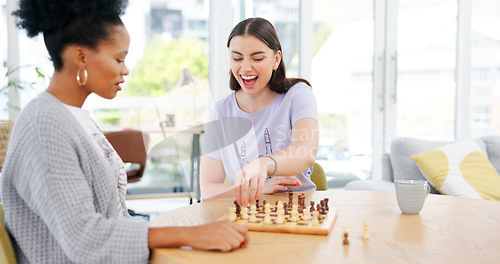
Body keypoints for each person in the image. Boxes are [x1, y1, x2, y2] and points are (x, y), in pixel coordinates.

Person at [0, 0, 248, 263]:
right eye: (119, 58)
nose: (126, 69)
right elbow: (84, 238)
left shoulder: (73, 116)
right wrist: (189, 234)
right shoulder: (45, 124)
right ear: (81, 56)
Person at [200, 17, 319, 206]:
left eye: (257, 58)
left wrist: (263, 164)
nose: (245, 67)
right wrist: (258, 188)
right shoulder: (221, 110)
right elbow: (208, 190)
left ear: (276, 59)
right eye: (237, 58)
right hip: (246, 212)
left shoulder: (298, 95)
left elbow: (306, 153)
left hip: (296, 208)